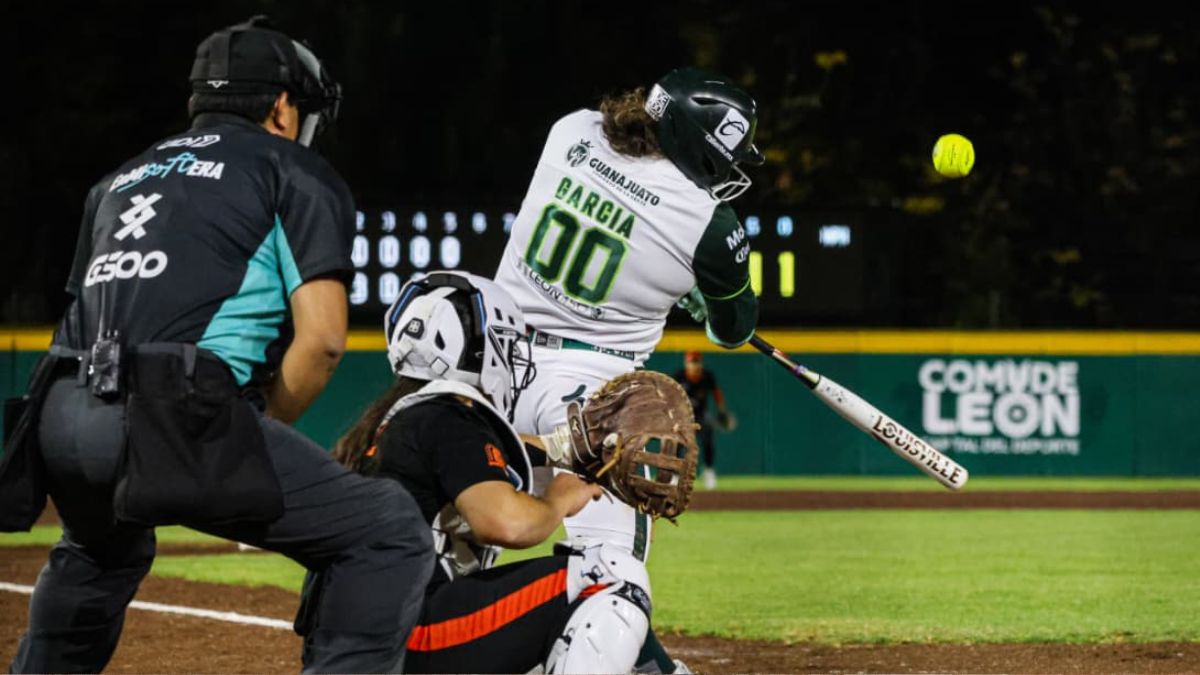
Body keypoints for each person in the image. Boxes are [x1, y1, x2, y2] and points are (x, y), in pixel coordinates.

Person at [8, 17, 432, 673]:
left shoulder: (117, 181)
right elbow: (321, 341)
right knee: (388, 532)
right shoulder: (293, 169)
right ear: (284, 107)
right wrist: (255, 426)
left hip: (56, 411)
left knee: (100, 547)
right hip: (172, 412)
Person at [494, 66, 762, 672]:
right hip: (591, 400)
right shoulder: (708, 226)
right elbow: (732, 330)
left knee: (459, 538)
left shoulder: (572, 129)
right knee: (611, 572)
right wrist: (695, 293)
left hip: (491, 361)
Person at [314, 270, 656, 674]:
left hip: (355, 642)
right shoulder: (450, 414)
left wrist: (568, 447)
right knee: (609, 575)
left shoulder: (398, 421)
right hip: (409, 634)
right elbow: (505, 524)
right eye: (507, 344)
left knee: (546, 638)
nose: (512, 358)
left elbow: (496, 453)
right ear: (475, 348)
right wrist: (559, 499)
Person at [672, 351, 734, 490]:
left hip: (700, 414)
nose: (694, 365)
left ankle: (708, 471)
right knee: (678, 443)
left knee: (708, 438)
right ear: (686, 364)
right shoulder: (679, 376)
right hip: (683, 416)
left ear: (701, 363)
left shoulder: (707, 376)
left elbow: (716, 393)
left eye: (696, 362)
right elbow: (670, 395)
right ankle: (675, 475)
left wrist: (722, 409)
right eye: (691, 362)